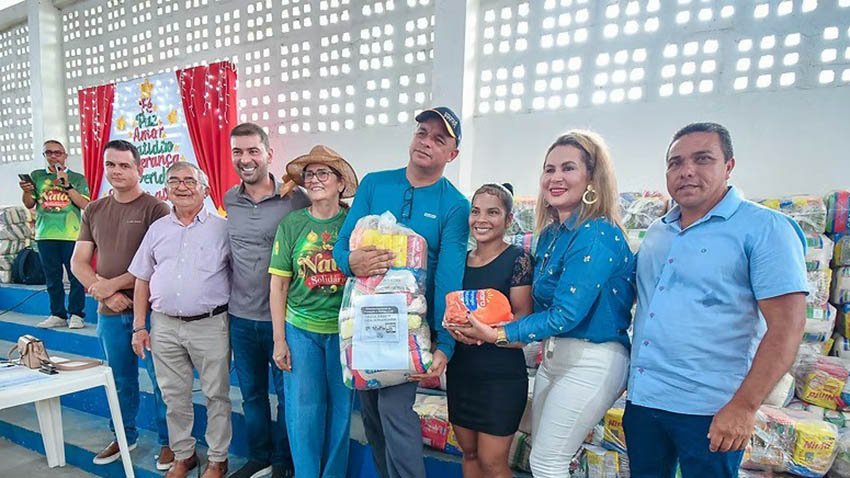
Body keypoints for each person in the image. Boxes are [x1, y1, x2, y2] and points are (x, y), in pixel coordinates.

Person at [624, 123, 808, 477]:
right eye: (675, 163)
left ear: (729, 166)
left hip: (711, 408)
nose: (686, 171)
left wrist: (744, 406)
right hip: (645, 401)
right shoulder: (659, 231)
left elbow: (787, 327)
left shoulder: (765, 228)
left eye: (702, 159)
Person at [452, 130, 634, 478]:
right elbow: (535, 305)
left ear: (592, 177)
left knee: (547, 463)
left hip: (592, 359)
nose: (555, 178)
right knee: (542, 458)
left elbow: (565, 314)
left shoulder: (597, 233)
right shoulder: (551, 234)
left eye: (568, 168)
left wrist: (496, 334)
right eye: (549, 169)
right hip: (553, 357)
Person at [333, 106, 470, 478]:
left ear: (452, 154)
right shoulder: (375, 184)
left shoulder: (455, 205)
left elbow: (449, 277)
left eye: (438, 139)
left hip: (409, 332)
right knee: (373, 418)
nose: (426, 142)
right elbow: (342, 247)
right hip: (363, 326)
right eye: (422, 133)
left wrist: (445, 343)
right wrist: (350, 262)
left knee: (395, 414)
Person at [70, 139, 172, 469]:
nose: (117, 171)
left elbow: (158, 263)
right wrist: (105, 294)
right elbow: (78, 262)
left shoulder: (156, 209)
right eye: (111, 165)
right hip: (110, 314)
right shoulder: (94, 210)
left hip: (152, 313)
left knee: (162, 380)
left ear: (139, 169)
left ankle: (169, 442)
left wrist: (110, 286)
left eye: (125, 165)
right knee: (120, 379)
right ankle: (123, 435)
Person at [129, 162, 232, 478]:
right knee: (173, 396)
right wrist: (139, 326)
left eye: (190, 181)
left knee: (216, 395)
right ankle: (183, 455)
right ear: (166, 189)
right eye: (174, 181)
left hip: (211, 324)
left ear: (206, 189)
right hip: (164, 325)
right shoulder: (157, 229)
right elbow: (142, 278)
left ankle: (217, 459)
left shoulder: (223, 228)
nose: (182, 187)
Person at [224, 123, 309, 478]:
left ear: (269, 154)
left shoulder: (295, 198)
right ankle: (259, 457)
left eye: (253, 151)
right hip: (241, 318)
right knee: (252, 395)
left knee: (287, 396)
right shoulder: (230, 199)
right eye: (238, 152)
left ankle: (283, 463)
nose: (245, 159)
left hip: (284, 318)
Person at [269, 145, 358, 478]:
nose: (315, 180)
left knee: (341, 412)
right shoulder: (292, 224)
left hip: (344, 332)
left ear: (340, 183)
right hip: (300, 330)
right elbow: (278, 285)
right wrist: (280, 340)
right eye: (309, 174)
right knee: (303, 412)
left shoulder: (354, 224)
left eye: (323, 173)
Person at [443, 183, 533, 478]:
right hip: (461, 372)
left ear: (509, 220)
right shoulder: (458, 261)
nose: (481, 219)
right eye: (476, 211)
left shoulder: (518, 259)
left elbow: (523, 319)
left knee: (492, 463)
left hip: (501, 377)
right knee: (469, 455)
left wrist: (486, 333)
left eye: (492, 212)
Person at [20, 140, 90, 329]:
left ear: (65, 155)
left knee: (76, 275)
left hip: (71, 234)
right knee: (52, 277)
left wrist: (67, 185)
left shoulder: (77, 178)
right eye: (49, 153)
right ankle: (57, 314)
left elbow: (85, 205)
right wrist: (26, 191)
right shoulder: (37, 176)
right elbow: (29, 203)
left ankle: (77, 314)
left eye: (57, 153)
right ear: (44, 155)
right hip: (45, 234)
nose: (53, 156)